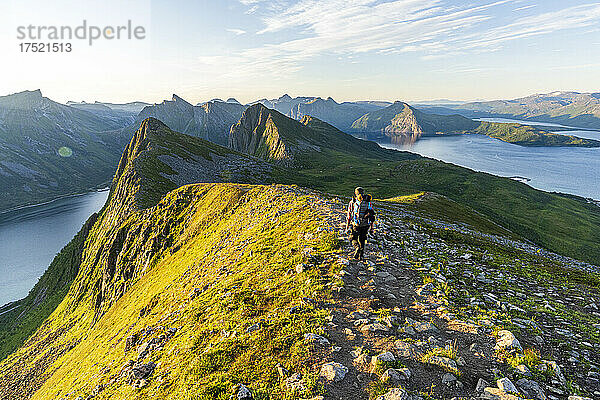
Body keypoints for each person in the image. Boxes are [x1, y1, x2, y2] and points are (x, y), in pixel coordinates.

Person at [345, 187, 375, 260]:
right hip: (366, 225)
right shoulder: (368, 202)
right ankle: (361, 256)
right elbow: (371, 215)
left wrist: (347, 225)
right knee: (362, 239)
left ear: (355, 193)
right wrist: (371, 228)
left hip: (356, 224)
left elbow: (349, 215)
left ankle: (357, 247)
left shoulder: (352, 202)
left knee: (353, 238)